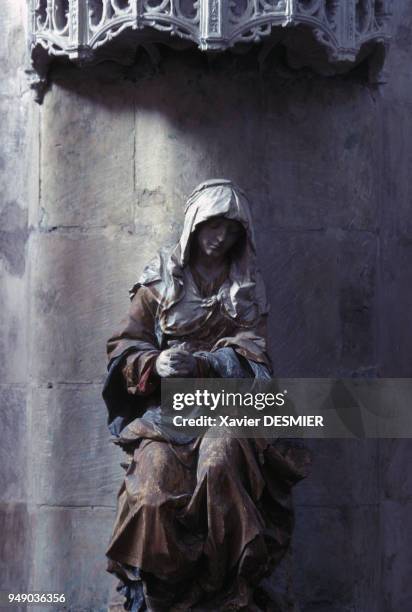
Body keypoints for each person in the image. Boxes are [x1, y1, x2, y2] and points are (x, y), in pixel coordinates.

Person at [103, 179, 308, 611]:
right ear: (194, 224)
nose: (221, 238)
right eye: (214, 225)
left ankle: (225, 591)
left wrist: (206, 364)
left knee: (221, 463)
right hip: (167, 417)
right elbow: (124, 346)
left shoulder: (248, 286)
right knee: (151, 491)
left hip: (228, 413)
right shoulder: (160, 279)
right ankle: (160, 593)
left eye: (232, 230)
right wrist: (153, 364)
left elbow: (258, 363)